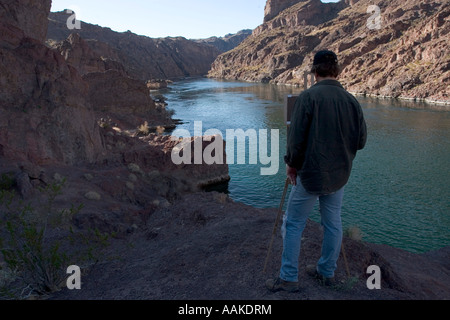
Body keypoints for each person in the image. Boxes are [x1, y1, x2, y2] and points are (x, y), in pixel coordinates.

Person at [266, 50, 367, 292]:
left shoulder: (308, 98)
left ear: (314, 71)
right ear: (337, 71)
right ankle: (326, 272)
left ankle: (289, 278)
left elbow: (296, 138)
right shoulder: (351, 100)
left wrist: (291, 164)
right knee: (333, 223)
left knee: (293, 223)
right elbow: (361, 141)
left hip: (310, 175)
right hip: (339, 175)